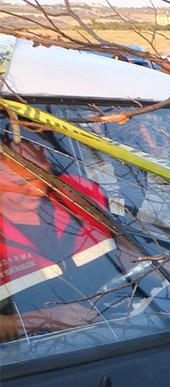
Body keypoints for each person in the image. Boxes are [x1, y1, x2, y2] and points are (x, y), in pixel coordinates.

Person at [0, 131, 121, 341]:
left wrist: (153, 262)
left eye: (42, 177)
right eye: (21, 183)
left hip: (127, 327)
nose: (37, 191)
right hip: (36, 358)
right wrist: (42, 319)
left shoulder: (78, 197)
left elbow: (121, 249)